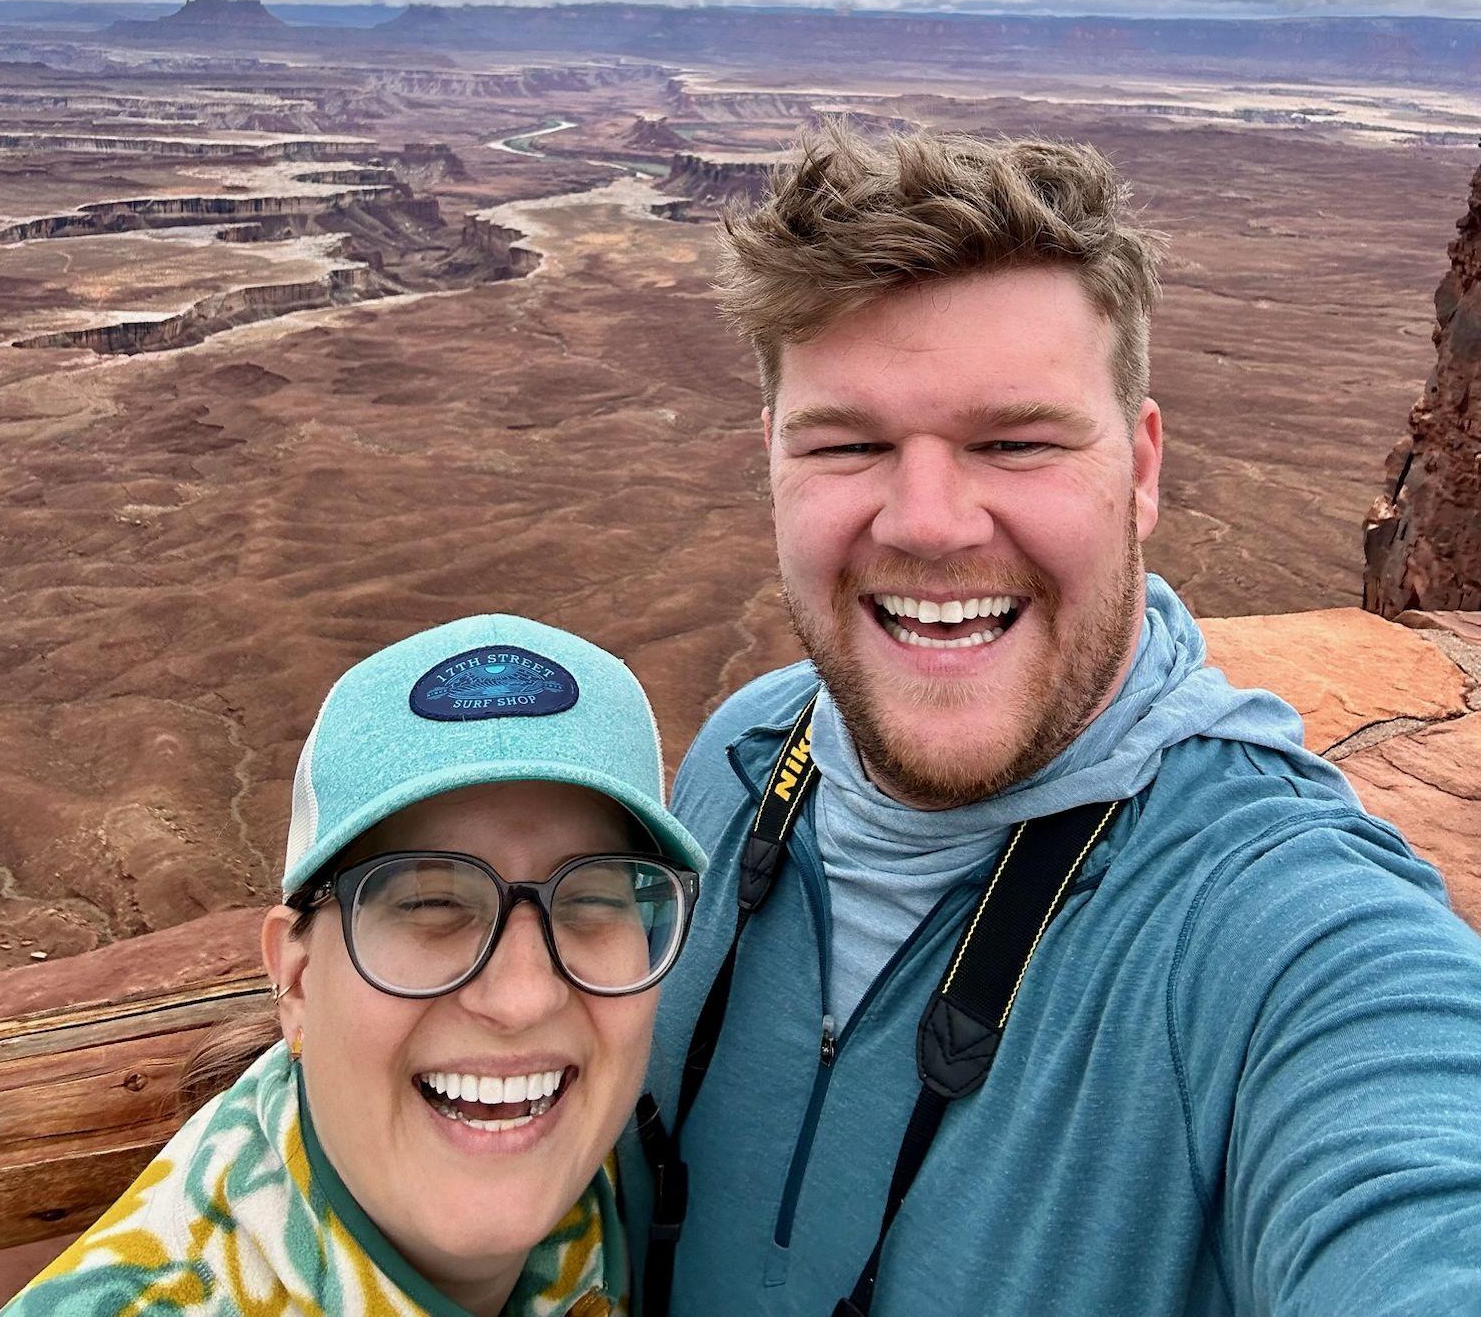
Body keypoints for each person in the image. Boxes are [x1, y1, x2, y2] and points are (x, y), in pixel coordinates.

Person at [624, 123, 1481, 1316]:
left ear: (1140, 467)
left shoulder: (1277, 927)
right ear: (770, 457)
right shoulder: (741, 756)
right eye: (851, 442)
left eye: (1016, 441)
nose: (927, 520)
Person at [1, 613, 705, 1317]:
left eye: (589, 898)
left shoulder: (618, 1167)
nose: (523, 996)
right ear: (299, 980)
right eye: (431, 901)